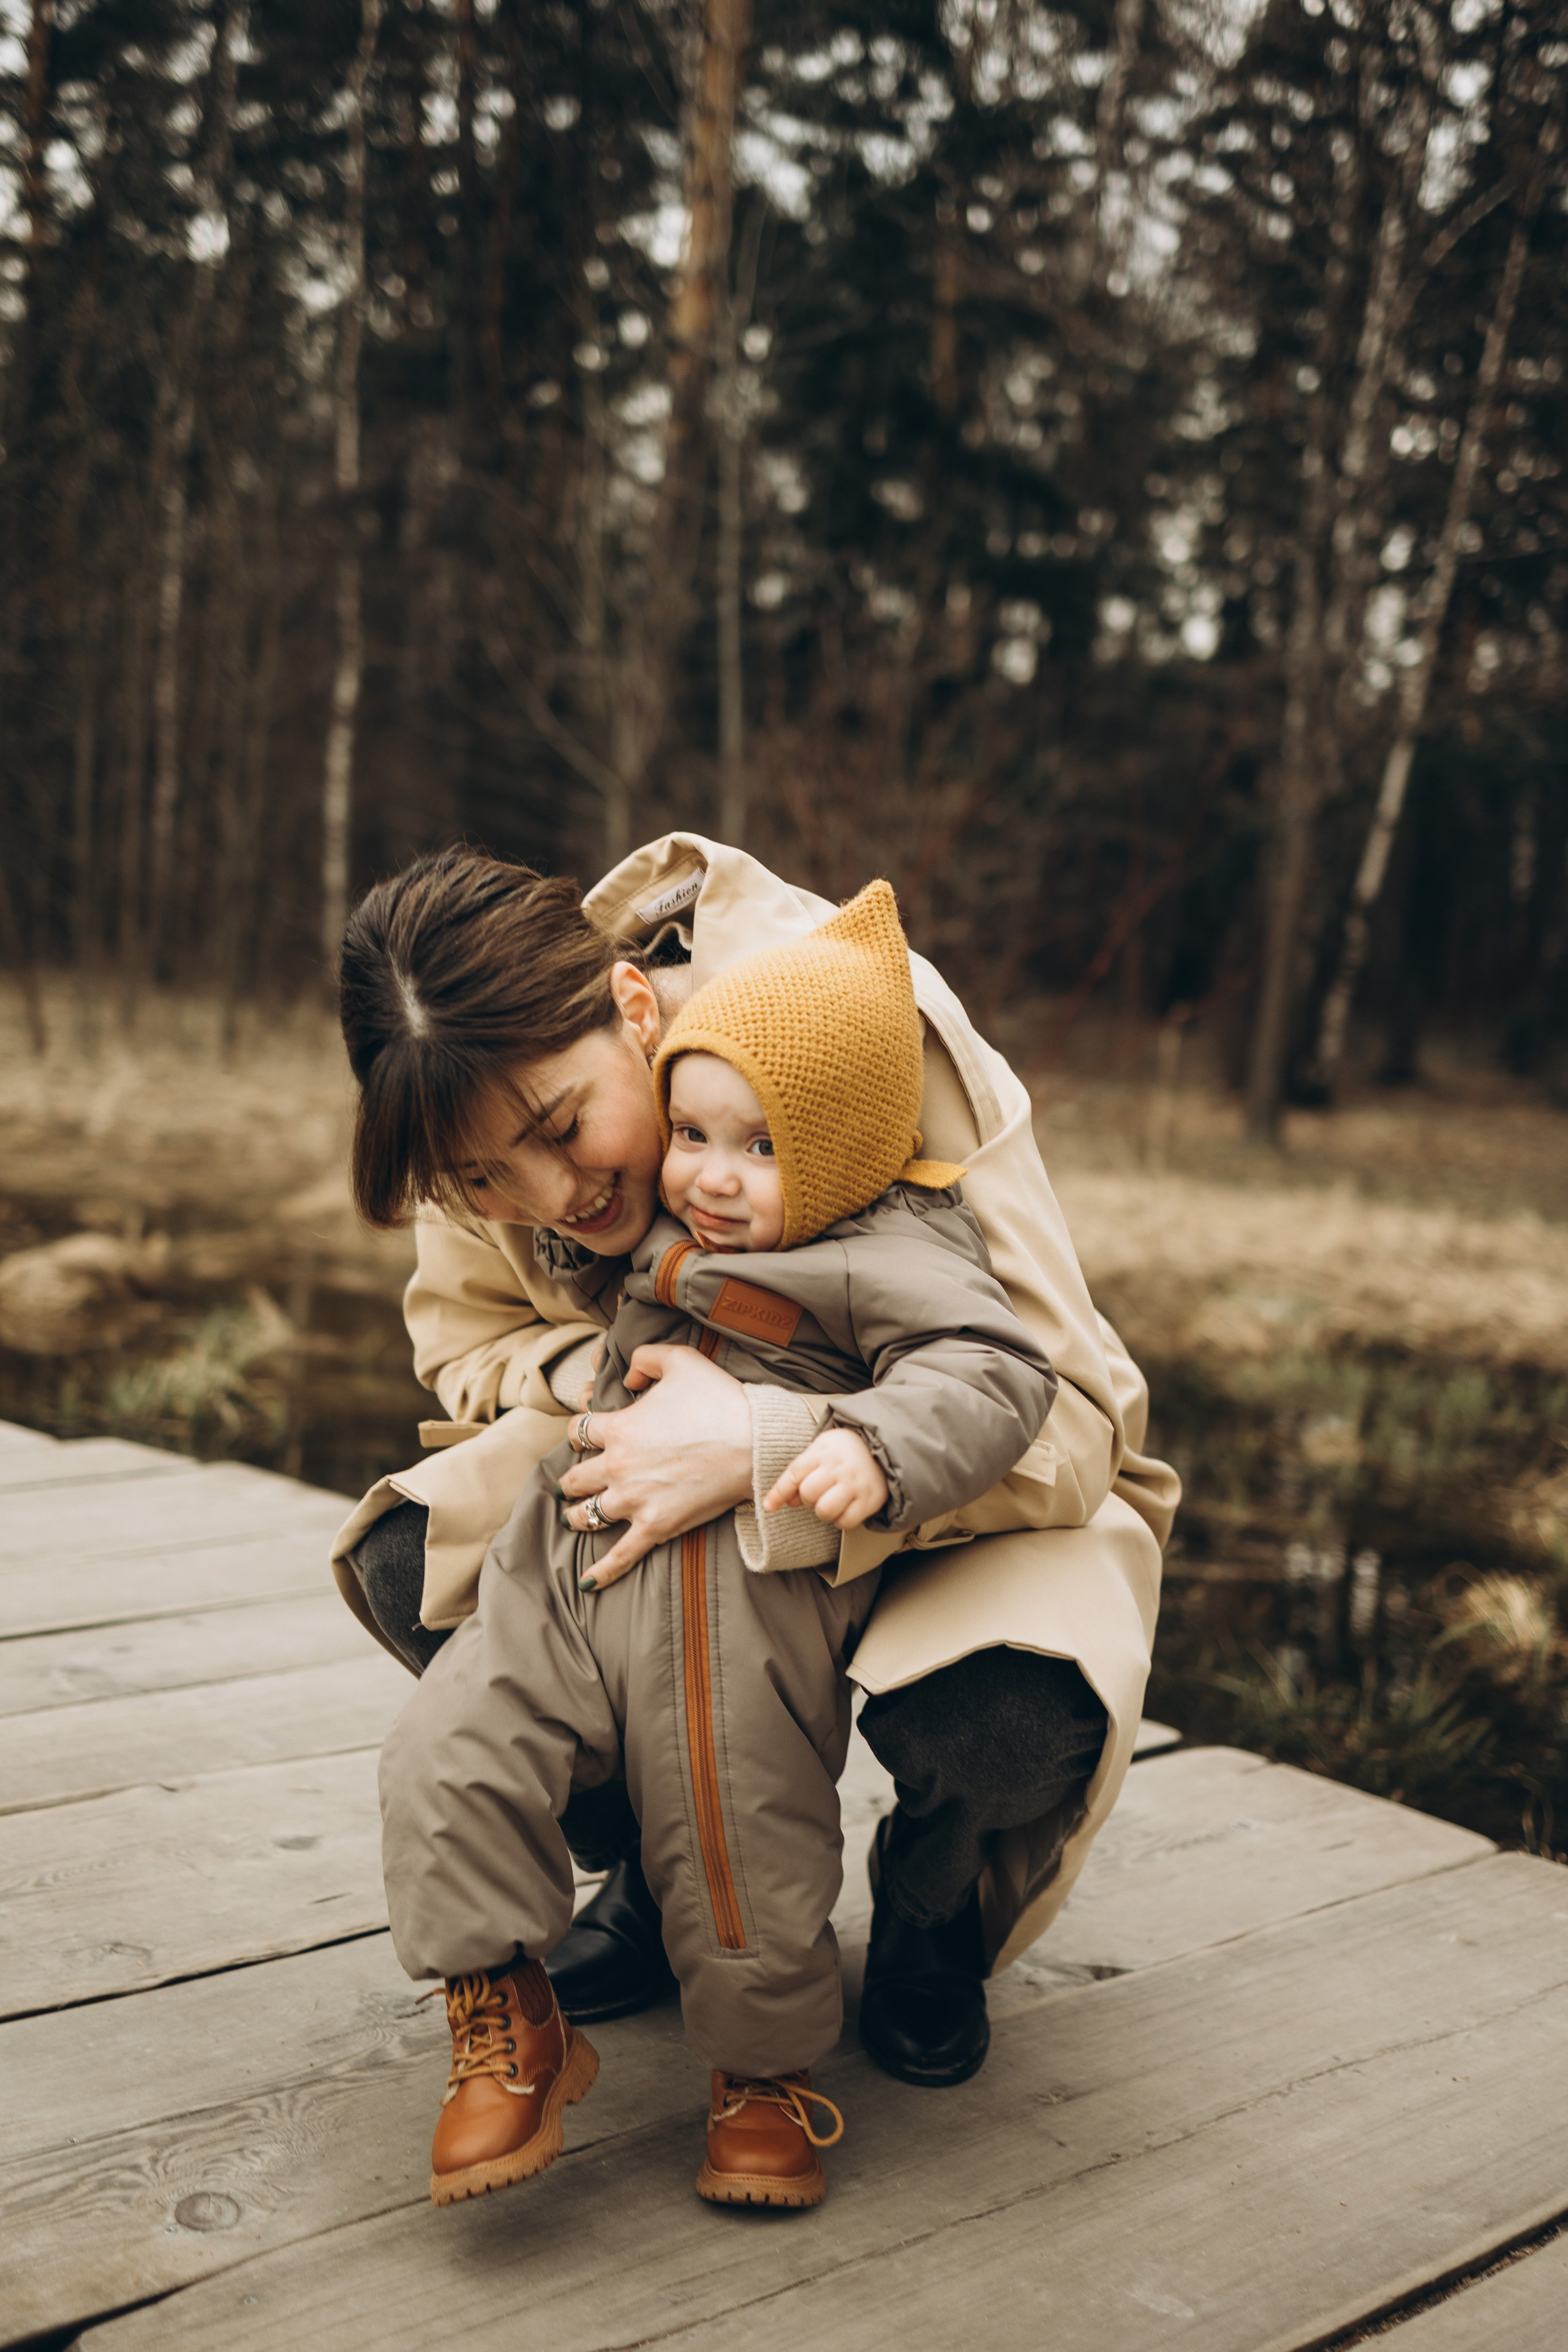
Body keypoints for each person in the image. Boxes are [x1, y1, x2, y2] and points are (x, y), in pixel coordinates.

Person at [331, 832, 1175, 2165]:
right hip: (657, 1458)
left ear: (631, 1006)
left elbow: (1066, 1410)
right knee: (413, 1554)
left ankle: (931, 1900)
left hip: (949, 1477)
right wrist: (630, 1388)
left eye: (562, 1130)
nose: (552, 1197)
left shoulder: (851, 1023)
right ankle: (648, 1870)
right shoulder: (459, 1103)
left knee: (1008, 1714)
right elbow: (467, 1350)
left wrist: (768, 1439)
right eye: (486, 1179)